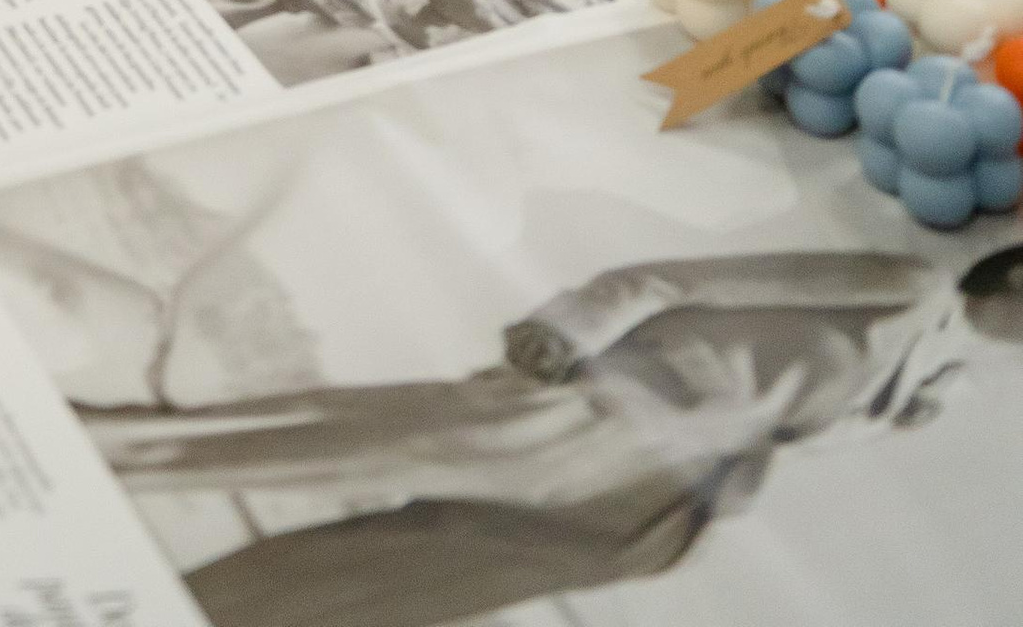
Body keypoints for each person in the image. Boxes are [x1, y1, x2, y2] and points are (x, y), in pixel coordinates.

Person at [73, 243, 1023, 626]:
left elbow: (779, 431)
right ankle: (80, 459)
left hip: (644, 475)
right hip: (596, 406)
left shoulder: (939, 382)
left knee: (411, 573)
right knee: (320, 446)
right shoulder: (910, 285)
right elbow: (673, 280)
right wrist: (558, 338)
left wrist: (881, 419)